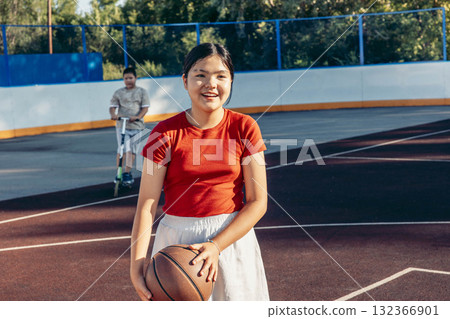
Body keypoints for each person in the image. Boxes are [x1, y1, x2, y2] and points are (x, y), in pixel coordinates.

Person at [130, 43, 269, 301]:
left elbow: (258, 202)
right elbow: (146, 206)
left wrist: (216, 246)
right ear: (184, 81)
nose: (210, 84)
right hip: (176, 244)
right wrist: (136, 267)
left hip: (231, 241)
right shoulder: (162, 134)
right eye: (200, 75)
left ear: (231, 81)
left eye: (220, 76)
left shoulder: (246, 128)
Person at [109, 67, 150, 185]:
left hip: (137, 126)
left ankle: (127, 172)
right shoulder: (119, 93)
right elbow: (112, 106)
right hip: (122, 126)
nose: (128, 80)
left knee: (131, 150)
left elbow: (145, 108)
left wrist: (137, 117)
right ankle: (119, 172)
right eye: (126, 78)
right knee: (122, 149)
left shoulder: (141, 92)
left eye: (131, 78)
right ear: (123, 79)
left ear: (135, 78)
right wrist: (113, 114)